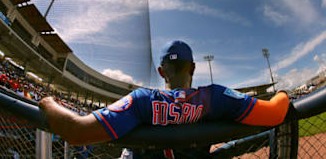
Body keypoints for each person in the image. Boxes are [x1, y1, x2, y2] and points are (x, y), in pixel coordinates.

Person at [39, 40, 289, 157]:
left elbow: (76, 131)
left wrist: (47, 102)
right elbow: (276, 113)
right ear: (192, 68)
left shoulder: (141, 100)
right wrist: (282, 93)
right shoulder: (214, 96)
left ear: (161, 72)